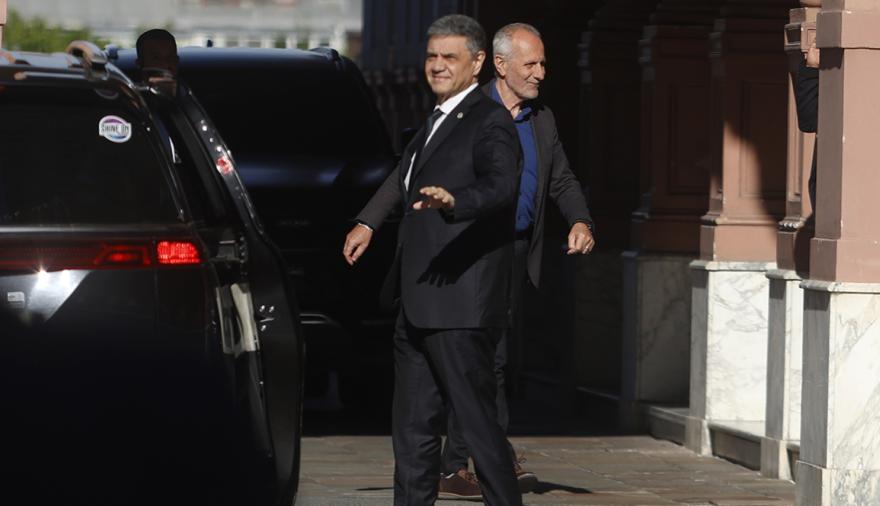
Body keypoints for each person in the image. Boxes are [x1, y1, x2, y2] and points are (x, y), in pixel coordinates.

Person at [342, 14, 523, 506]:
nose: (437, 66)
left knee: (478, 428)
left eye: (449, 57)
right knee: (413, 431)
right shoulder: (436, 119)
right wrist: (368, 222)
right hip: (418, 300)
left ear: (478, 62)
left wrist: (456, 201)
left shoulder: (490, 120)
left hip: (460, 305)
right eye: (431, 56)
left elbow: (501, 186)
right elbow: (403, 174)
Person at [437, 22, 596, 499]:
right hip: (472, 254)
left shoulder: (541, 119)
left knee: (494, 358)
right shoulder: (466, 112)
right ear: (501, 65)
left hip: (515, 253)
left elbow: (561, 179)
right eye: (531, 64)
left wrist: (580, 220)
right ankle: (477, 461)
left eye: (543, 63)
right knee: (480, 358)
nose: (541, 73)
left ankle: (469, 462)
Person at [135, 29, 180, 96]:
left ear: (177, 61)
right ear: (139, 63)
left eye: (171, 58)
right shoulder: (130, 97)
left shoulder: (189, 92)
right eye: (156, 59)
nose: (165, 64)